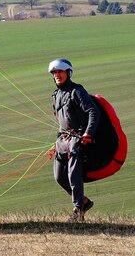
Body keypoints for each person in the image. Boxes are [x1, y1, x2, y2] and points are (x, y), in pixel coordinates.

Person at [49, 58, 100, 222]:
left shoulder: (77, 91)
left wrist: (88, 133)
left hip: (76, 139)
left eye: (60, 72)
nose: (57, 75)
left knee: (73, 176)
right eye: (55, 73)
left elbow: (93, 111)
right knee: (59, 177)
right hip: (62, 139)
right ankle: (84, 201)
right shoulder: (56, 95)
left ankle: (78, 212)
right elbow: (61, 120)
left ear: (68, 73)